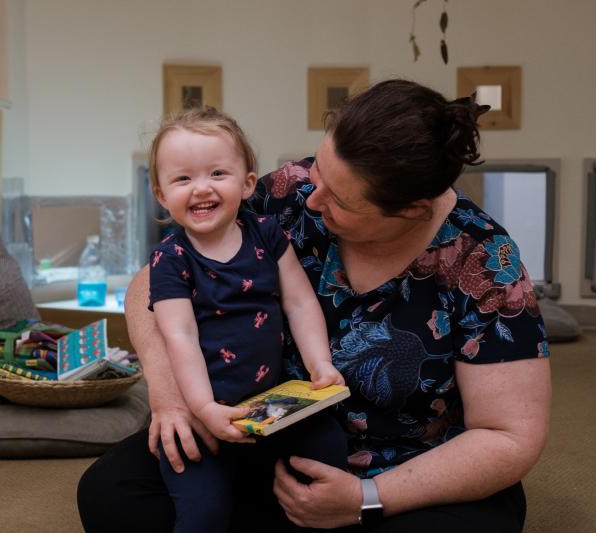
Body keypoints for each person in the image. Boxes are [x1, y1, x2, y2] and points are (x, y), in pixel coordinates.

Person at [78, 79, 551, 532]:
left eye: (339, 199)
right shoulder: (288, 190)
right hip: (256, 428)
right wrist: (168, 396)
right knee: (112, 493)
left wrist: (366, 497)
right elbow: (151, 284)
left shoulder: (485, 263)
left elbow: (510, 437)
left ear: (410, 210)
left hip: (402, 469)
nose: (313, 196)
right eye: (320, 170)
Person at [146, 107, 347, 533]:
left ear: (247, 183)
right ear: (161, 194)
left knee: (328, 440)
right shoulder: (170, 258)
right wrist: (202, 408)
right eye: (182, 179)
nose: (201, 188)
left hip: (270, 407)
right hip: (205, 418)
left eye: (217, 173)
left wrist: (319, 364)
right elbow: (178, 334)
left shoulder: (266, 233)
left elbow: (299, 303)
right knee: (203, 515)